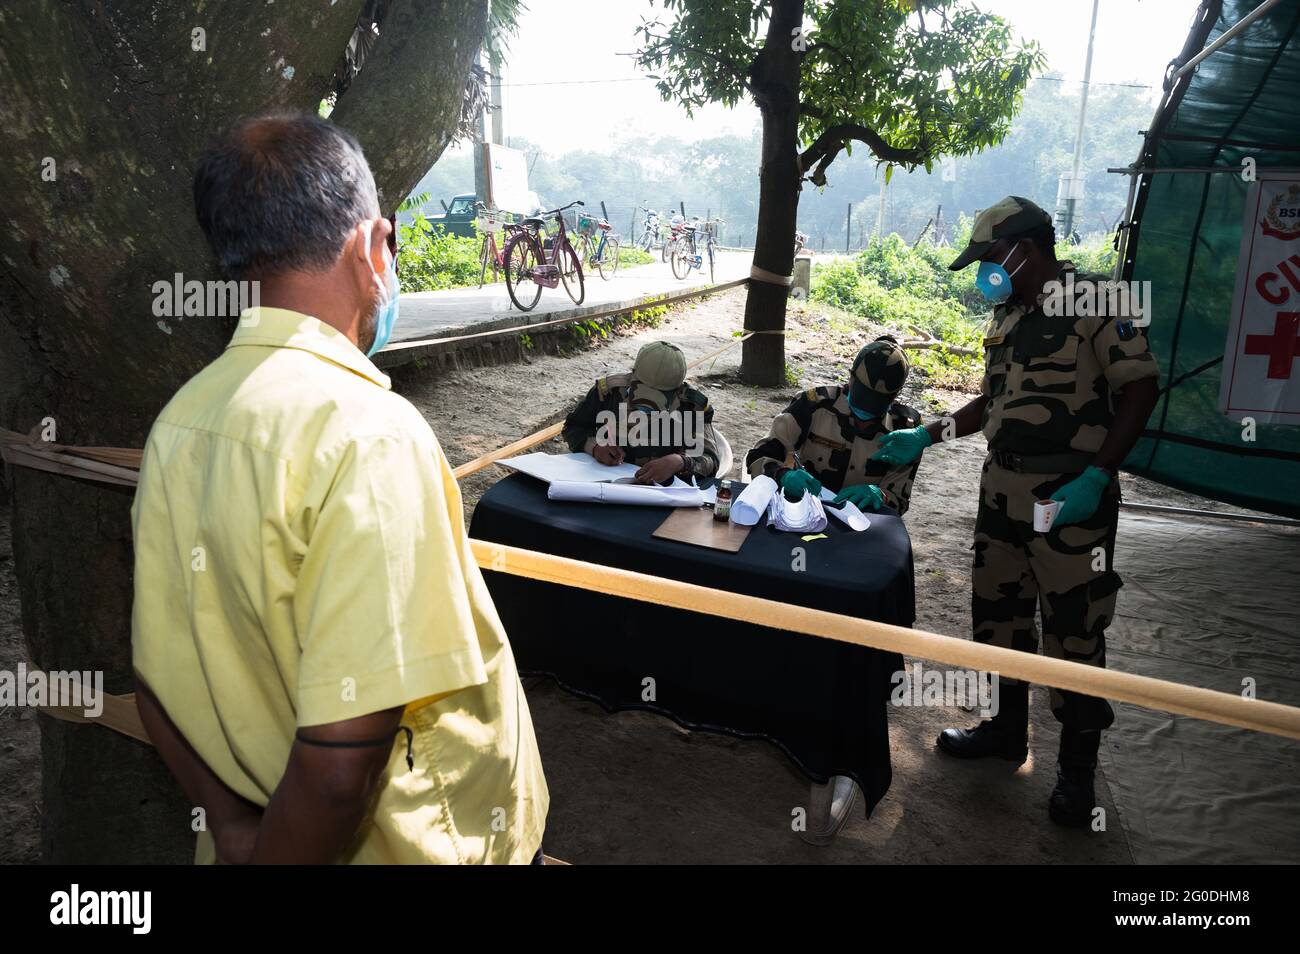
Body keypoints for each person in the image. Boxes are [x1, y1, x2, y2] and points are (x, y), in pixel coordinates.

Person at [130, 111, 548, 864]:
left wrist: (228, 824)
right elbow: (336, 766)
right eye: (388, 237)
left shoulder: (179, 424)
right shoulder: (372, 435)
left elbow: (155, 677)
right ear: (367, 247)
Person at [871, 196, 1159, 827]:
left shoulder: (1097, 303)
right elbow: (991, 404)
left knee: (1074, 634)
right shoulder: (1008, 315)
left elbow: (1140, 387)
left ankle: (1077, 775)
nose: (984, 272)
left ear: (1024, 250)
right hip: (1001, 490)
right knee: (998, 618)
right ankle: (1006, 733)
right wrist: (931, 434)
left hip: (1069, 497)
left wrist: (1099, 472)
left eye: (989, 258)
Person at [746, 335, 923, 515]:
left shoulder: (905, 431)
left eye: (877, 402)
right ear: (851, 378)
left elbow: (898, 501)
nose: (867, 409)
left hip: (861, 523)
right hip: (801, 512)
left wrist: (881, 496)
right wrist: (783, 476)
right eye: (863, 396)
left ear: (895, 396)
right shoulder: (813, 405)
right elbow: (758, 456)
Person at [562, 340, 730, 483]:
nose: (646, 407)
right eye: (642, 390)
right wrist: (595, 447)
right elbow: (573, 428)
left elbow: (710, 460)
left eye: (660, 396)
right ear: (632, 375)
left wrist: (680, 462)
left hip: (662, 494)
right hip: (605, 484)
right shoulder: (608, 393)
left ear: (678, 389)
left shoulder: (692, 407)